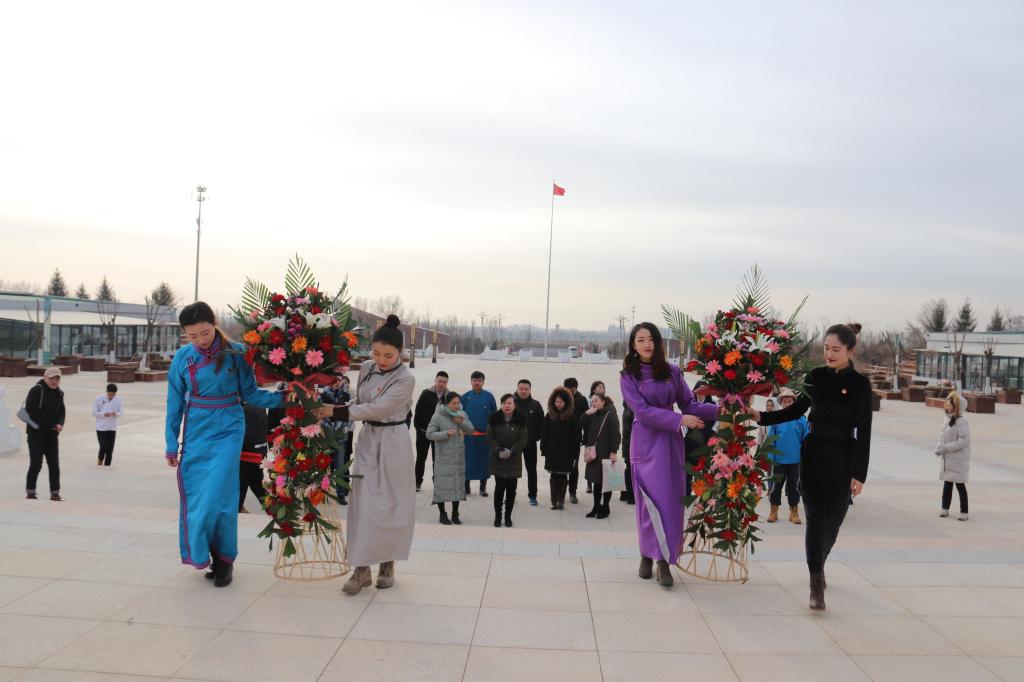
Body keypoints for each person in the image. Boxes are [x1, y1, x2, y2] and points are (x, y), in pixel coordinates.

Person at [750, 323, 873, 611]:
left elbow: (865, 430)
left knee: (834, 520)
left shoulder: (860, 385)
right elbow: (796, 409)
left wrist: (860, 473)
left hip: (843, 455)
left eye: (836, 350)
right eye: (826, 348)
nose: (829, 354)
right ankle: (815, 581)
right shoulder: (815, 376)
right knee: (815, 518)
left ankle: (820, 559)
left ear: (850, 350)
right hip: (814, 451)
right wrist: (761, 417)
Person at [165, 302, 283, 588]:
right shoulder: (182, 358)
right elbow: (175, 402)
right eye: (192, 336)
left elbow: (251, 394)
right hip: (196, 431)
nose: (199, 341)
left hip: (229, 429)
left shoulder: (237, 353)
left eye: (204, 333)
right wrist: (171, 442)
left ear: (213, 324)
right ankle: (210, 555)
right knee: (199, 499)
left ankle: (225, 560)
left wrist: (287, 398)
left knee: (220, 495)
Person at [321, 315, 416, 596]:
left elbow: (378, 408)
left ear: (400, 353)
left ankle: (388, 562)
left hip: (394, 441)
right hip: (367, 440)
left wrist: (334, 411)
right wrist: (333, 406)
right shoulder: (366, 368)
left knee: (393, 504)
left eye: (388, 355)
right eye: (376, 353)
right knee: (363, 504)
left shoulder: (406, 379)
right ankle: (360, 568)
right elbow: (361, 403)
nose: (381, 360)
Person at [619, 323, 719, 588]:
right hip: (645, 443)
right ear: (633, 345)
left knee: (670, 505)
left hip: (671, 444)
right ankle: (646, 554)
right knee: (647, 504)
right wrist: (679, 419)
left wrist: (723, 410)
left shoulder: (672, 372)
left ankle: (664, 560)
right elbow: (641, 411)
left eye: (651, 339)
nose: (647, 344)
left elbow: (691, 405)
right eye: (641, 340)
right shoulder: (628, 376)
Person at [426, 391, 474, 525]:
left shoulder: (462, 414)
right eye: (454, 403)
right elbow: (429, 434)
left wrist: (462, 422)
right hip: (443, 458)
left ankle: (455, 513)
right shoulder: (438, 416)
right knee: (442, 486)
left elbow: (471, 430)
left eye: (458, 403)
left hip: (458, 457)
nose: (457, 406)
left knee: (457, 485)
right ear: (447, 404)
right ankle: (442, 514)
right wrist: (445, 434)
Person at [765, 389, 808, 524]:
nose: (787, 404)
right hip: (779, 460)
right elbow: (771, 438)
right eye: (785, 402)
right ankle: (774, 510)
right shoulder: (777, 418)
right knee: (777, 486)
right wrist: (769, 457)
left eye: (790, 401)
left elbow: (806, 439)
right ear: (781, 403)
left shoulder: (801, 419)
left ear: (794, 403)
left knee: (793, 487)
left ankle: (794, 511)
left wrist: (806, 456)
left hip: (795, 459)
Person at [24, 367, 66, 501]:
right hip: (36, 434)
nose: (54, 381)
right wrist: (52, 425)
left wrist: (60, 423)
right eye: (51, 378)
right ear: (45, 377)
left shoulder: (59, 393)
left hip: (52, 435)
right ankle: (30, 492)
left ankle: (55, 493)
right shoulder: (37, 390)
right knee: (36, 463)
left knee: (54, 464)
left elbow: (62, 411)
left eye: (57, 378)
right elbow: (32, 411)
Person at [486, 394, 528, 527]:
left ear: (514, 405)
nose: (507, 405)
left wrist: (512, 450)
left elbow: (523, 439)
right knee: (499, 490)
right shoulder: (494, 419)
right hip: (499, 459)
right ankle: (498, 517)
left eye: (510, 403)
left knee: (511, 491)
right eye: (504, 403)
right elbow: (489, 438)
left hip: (514, 460)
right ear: (501, 404)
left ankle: (508, 517)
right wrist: (499, 449)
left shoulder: (521, 419)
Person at [581, 393, 621, 519]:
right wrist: (586, 414)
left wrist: (614, 451)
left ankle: (605, 506)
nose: (594, 403)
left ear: (603, 402)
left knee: (606, 481)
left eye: (596, 401)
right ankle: (596, 506)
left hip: (606, 452)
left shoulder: (610, 414)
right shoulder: (592, 414)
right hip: (594, 453)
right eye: (592, 401)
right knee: (596, 481)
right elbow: (580, 425)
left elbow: (616, 434)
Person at [541, 387, 580, 510]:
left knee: (563, 476)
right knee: (553, 475)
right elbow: (544, 434)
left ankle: (561, 500)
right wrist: (544, 449)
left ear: (566, 403)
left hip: (566, 453)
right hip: (552, 451)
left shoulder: (572, 418)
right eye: (556, 401)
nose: (558, 404)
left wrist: (575, 455)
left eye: (561, 402)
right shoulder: (549, 416)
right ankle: (554, 500)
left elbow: (576, 438)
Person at [936, 391, 970, 521]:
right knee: (947, 484)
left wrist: (946, 447)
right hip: (948, 458)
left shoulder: (962, 421)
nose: (947, 407)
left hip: (958, 459)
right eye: (947, 404)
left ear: (956, 407)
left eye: (950, 405)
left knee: (960, 485)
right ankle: (945, 509)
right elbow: (942, 436)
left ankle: (964, 511)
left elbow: (963, 441)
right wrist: (939, 447)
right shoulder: (947, 419)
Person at [461, 371, 496, 497]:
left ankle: (483, 487)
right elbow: (459, 416)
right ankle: (466, 486)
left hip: (484, 436)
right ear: (471, 381)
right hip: (468, 436)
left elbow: (494, 416)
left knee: (484, 463)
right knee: (467, 462)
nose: (477, 383)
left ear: (483, 381)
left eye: (479, 380)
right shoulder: (464, 397)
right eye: (475, 380)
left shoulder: (489, 396)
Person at [413, 371, 449, 492]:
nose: (442, 384)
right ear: (435, 380)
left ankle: (437, 483)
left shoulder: (449, 397)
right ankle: (417, 482)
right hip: (423, 432)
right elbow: (418, 411)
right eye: (440, 381)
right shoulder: (426, 393)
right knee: (420, 458)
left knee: (437, 460)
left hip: (439, 435)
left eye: (444, 382)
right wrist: (418, 428)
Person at [321, 375, 353, 505]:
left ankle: (340, 494)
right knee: (324, 466)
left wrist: (338, 428)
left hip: (340, 437)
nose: (336, 383)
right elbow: (322, 415)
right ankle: (323, 492)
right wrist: (329, 430)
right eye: (333, 381)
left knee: (340, 466)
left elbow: (348, 416)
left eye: (338, 381)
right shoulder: (322, 396)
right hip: (326, 437)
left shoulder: (346, 396)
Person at [513, 379, 544, 506]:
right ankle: (511, 494)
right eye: (521, 388)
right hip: (513, 443)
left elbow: (542, 424)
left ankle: (532, 495)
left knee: (531, 470)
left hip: (529, 444)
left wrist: (535, 437)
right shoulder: (511, 403)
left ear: (530, 390)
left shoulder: (535, 405)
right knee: (512, 470)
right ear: (517, 388)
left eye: (526, 389)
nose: (524, 391)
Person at [238, 403, 268, 513]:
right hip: (256, 455)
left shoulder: (247, 410)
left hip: (247, 457)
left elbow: (247, 437)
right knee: (258, 488)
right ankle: (280, 515)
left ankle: (280, 515)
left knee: (240, 491)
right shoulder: (259, 406)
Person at [564, 377, 588, 504]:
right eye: (567, 389)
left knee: (574, 466)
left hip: (575, 439)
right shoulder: (562, 397)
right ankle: (560, 491)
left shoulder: (582, 400)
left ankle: (573, 492)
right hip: (562, 438)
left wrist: (585, 437)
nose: (569, 392)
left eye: (571, 390)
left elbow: (586, 418)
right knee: (561, 465)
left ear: (575, 388)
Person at [92, 382, 123, 467]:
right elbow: (94, 413)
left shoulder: (119, 399)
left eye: (113, 395)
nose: (111, 396)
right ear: (106, 392)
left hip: (112, 427)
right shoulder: (99, 399)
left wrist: (115, 413)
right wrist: (103, 414)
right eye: (109, 394)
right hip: (101, 427)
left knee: (110, 449)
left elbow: (121, 412)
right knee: (103, 446)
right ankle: (100, 461)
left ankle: (107, 466)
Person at [620, 401, 635, 504]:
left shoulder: (626, 408)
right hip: (631, 444)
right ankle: (631, 496)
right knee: (631, 471)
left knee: (628, 469)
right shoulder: (631, 410)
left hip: (626, 444)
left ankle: (627, 495)